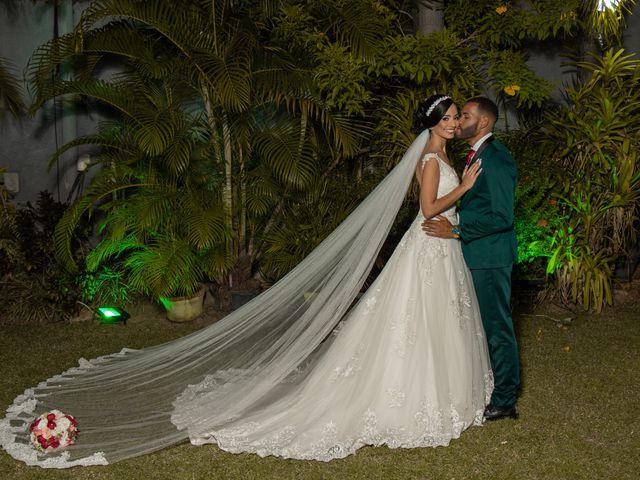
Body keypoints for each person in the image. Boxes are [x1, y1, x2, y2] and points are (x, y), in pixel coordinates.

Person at [0, 95, 491, 468]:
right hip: (428, 244)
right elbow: (427, 208)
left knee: (432, 321)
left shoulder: (444, 156)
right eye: (447, 117)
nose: (454, 122)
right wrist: (464, 190)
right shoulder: (431, 160)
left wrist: (460, 202)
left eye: (455, 117)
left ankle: (439, 391)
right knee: (411, 320)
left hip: (438, 249)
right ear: (433, 124)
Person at [422, 96, 520, 421]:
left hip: (490, 256)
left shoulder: (497, 158)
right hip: (477, 254)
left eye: (465, 116)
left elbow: (501, 217)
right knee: (479, 325)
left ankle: (505, 400)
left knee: (497, 326)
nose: (458, 121)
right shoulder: (474, 154)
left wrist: (457, 231)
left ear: (485, 122)